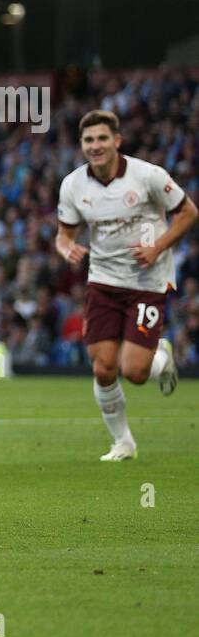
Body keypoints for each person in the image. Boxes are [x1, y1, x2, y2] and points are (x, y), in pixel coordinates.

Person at [56, 110, 196, 460]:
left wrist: (157, 247)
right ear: (82, 145)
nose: (95, 145)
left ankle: (160, 357)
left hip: (147, 281)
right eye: (89, 140)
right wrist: (65, 248)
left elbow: (189, 212)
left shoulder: (147, 175)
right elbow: (64, 234)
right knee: (103, 367)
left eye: (102, 138)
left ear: (117, 140)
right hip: (103, 281)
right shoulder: (73, 185)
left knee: (134, 372)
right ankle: (123, 442)